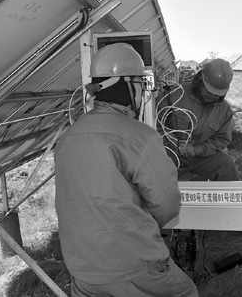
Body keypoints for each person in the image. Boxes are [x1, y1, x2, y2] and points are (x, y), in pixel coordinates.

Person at [54, 43, 198, 297]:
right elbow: (166, 206)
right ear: (128, 86)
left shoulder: (68, 137)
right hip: (131, 265)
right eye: (141, 86)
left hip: (82, 269)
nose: (144, 93)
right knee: (186, 292)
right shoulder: (141, 137)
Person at [156, 58, 239, 181]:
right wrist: (173, 145)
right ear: (201, 78)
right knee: (154, 174)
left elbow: (221, 139)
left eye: (217, 93)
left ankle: (233, 199)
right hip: (170, 154)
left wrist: (196, 150)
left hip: (201, 157)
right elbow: (154, 124)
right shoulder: (175, 94)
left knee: (226, 165)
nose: (212, 96)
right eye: (209, 90)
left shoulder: (224, 111)